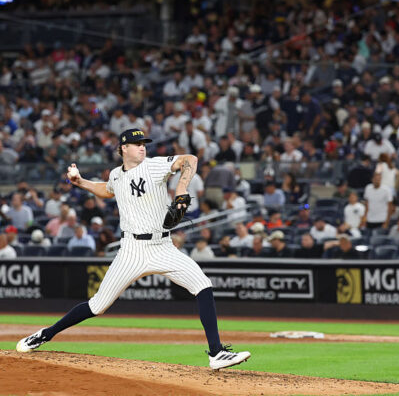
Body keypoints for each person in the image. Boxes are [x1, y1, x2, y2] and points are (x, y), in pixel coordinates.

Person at [16, 128, 251, 370]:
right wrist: (81, 182)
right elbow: (107, 189)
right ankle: (46, 334)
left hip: (162, 246)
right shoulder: (117, 175)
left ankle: (216, 353)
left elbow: (190, 160)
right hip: (131, 250)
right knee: (98, 305)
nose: (142, 147)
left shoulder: (154, 166)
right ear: (123, 149)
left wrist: (181, 189)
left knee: (203, 285)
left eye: (144, 143)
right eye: (136, 143)